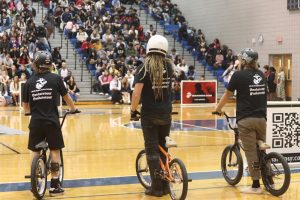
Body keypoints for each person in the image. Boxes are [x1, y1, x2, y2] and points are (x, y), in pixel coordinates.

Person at [22, 51, 78, 197]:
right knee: (55, 149)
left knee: (34, 150)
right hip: (51, 121)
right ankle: (54, 185)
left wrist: (28, 112)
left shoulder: (28, 82)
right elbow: (67, 97)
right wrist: (73, 109)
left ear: (36, 64)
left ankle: (34, 179)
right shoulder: (56, 79)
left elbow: (25, 106)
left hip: (36, 122)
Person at [214, 48, 270, 194]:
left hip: (246, 120)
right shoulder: (261, 75)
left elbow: (227, 94)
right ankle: (268, 178)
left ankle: (256, 185)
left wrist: (218, 109)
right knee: (261, 149)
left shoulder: (238, 75)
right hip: (261, 119)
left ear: (244, 61)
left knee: (251, 151)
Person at [131, 35, 173, 197]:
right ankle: (166, 185)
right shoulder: (169, 66)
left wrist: (133, 111)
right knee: (163, 148)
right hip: (166, 113)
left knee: (152, 151)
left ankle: (156, 188)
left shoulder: (144, 67)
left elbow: (136, 94)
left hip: (150, 114)